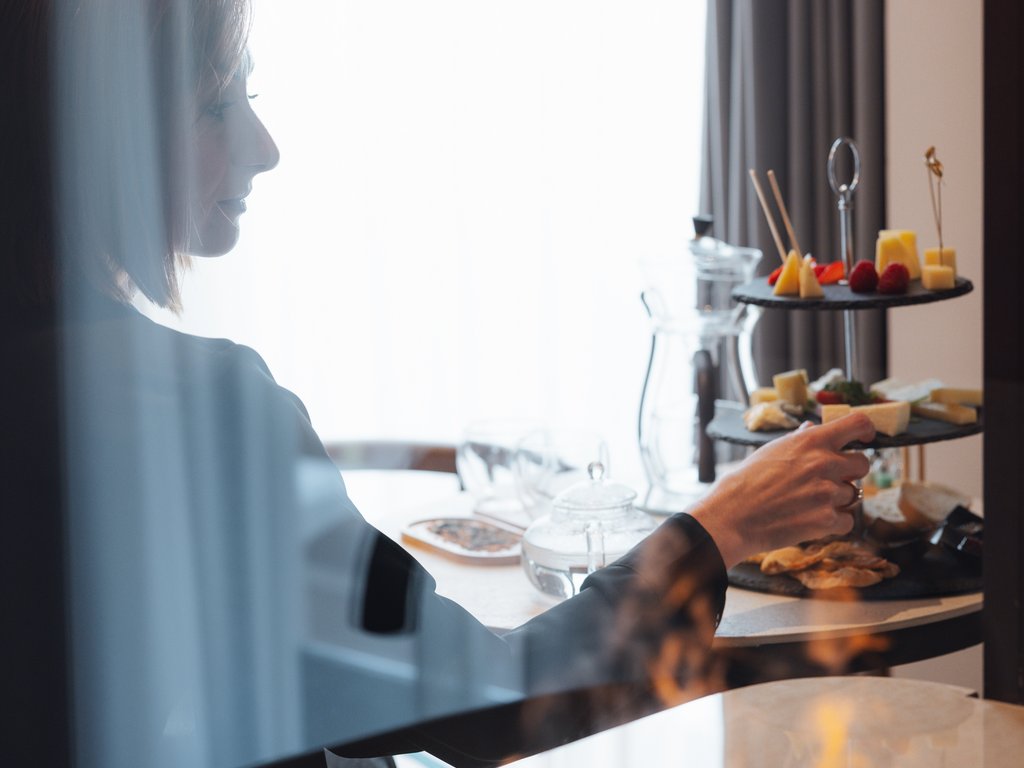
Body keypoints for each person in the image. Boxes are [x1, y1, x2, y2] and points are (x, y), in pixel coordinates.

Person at [1, 1, 874, 766]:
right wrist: (720, 528)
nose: (265, 148)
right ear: (107, 130)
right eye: (220, 103)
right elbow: (492, 702)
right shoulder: (194, 411)